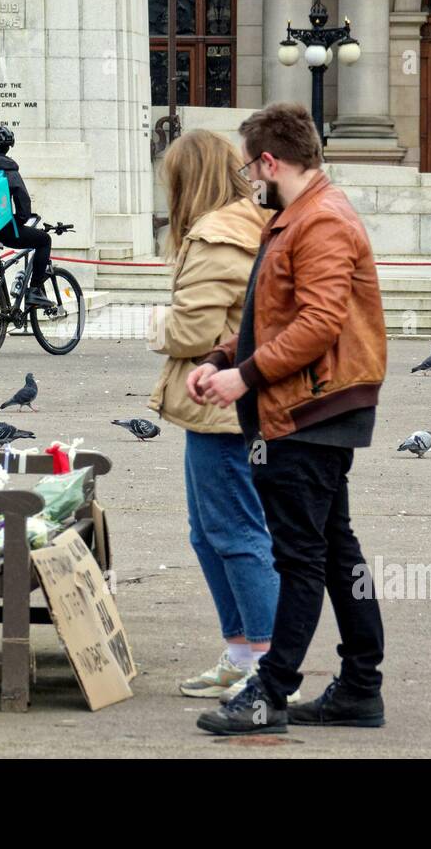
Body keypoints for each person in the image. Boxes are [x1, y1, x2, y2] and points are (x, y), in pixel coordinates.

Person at [186, 102, 388, 737]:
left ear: (270, 161)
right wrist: (224, 357)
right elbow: (277, 315)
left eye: (253, 166)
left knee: (299, 557)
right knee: (334, 553)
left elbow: (320, 322)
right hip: (314, 407)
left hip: (309, 412)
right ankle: (360, 686)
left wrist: (244, 376)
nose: (251, 179)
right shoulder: (301, 216)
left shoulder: (320, 220)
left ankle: (268, 693)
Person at [146, 130, 294, 702]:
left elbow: (191, 330)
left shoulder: (214, 236)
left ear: (188, 182)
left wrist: (153, 324)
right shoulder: (250, 223)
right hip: (223, 407)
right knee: (211, 534)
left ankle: (266, 663)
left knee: (234, 533)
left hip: (225, 408)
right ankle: (242, 653)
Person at [0, 124, 54, 310]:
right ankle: (35, 290)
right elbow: (23, 209)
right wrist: (14, 223)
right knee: (44, 240)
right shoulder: (10, 171)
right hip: (2, 230)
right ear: (7, 149)